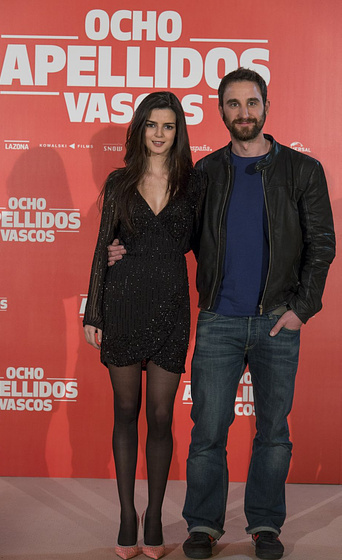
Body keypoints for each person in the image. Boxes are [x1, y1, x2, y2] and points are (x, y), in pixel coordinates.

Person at [107, 69, 335, 560]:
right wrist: (124, 249)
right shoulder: (205, 174)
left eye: (251, 103)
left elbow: (323, 245)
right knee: (208, 431)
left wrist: (302, 309)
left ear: (266, 105)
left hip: (278, 320)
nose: (244, 112)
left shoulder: (303, 171)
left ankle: (265, 525)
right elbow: (176, 235)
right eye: (233, 105)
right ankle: (203, 525)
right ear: (221, 112)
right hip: (218, 320)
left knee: (273, 432)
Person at [83, 91, 204, 560]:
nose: (159, 133)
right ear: (140, 129)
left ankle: (154, 517)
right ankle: (127, 516)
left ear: (178, 132)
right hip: (124, 305)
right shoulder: (119, 181)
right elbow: (102, 248)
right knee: (126, 411)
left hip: (173, 307)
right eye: (152, 124)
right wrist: (94, 311)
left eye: (168, 126)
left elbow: (202, 244)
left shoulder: (193, 184)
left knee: (160, 416)